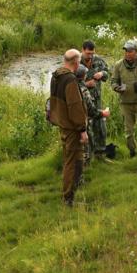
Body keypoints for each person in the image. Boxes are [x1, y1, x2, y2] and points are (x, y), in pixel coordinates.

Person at [48, 49, 89, 206]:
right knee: (71, 163)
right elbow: (75, 106)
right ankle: (68, 199)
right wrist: (82, 130)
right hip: (72, 127)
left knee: (73, 160)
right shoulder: (70, 79)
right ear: (77, 62)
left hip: (63, 123)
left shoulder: (56, 76)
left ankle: (72, 194)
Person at [80, 40, 110, 159]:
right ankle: (87, 156)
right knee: (86, 128)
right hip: (82, 101)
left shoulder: (98, 60)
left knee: (100, 126)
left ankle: (100, 154)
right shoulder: (76, 62)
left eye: (92, 53)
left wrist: (102, 74)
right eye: (88, 53)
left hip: (96, 99)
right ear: (82, 50)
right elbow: (71, 83)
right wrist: (86, 84)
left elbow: (108, 72)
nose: (90, 56)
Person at [76, 64, 111, 164]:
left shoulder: (70, 86)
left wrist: (102, 73)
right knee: (87, 142)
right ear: (83, 76)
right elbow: (91, 111)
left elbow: (107, 73)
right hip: (82, 122)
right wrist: (103, 113)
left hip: (71, 122)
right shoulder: (83, 90)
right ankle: (85, 165)